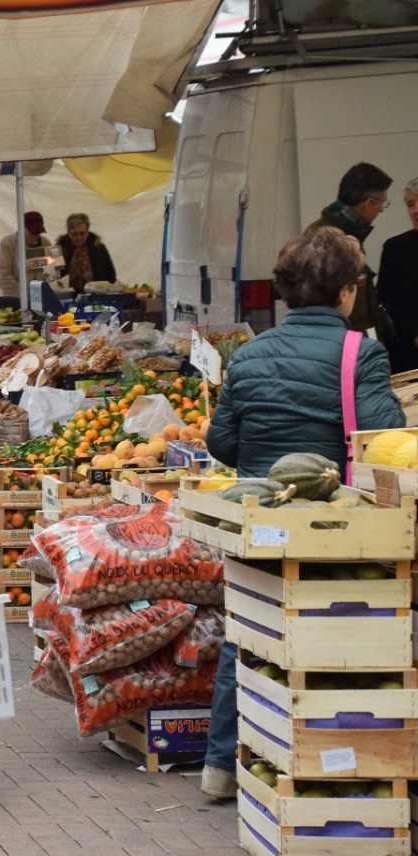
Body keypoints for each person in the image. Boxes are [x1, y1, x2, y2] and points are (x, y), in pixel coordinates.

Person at [200, 227, 405, 800]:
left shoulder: (248, 354)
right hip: (334, 529)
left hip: (259, 521)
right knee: (332, 632)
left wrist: (265, 459)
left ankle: (220, 768)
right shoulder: (359, 352)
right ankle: (331, 765)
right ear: (346, 292)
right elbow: (381, 439)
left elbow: (221, 442)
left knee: (247, 633)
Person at [305, 162, 398, 351]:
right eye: (382, 203)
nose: (381, 209)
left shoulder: (349, 231)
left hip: (356, 343)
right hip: (345, 348)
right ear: (368, 203)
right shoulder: (329, 238)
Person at [378, 176, 418, 373]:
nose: (415, 210)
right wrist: (414, 333)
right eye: (411, 204)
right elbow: (385, 300)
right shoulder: (394, 249)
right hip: (408, 353)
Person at [57, 213, 117, 293]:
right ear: (68, 233)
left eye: (82, 233)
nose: (79, 237)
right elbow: (55, 279)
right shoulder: (60, 250)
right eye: (74, 234)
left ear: (88, 232)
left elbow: (111, 275)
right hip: (68, 296)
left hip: (98, 295)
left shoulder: (98, 248)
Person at [0, 211, 51, 297]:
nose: (36, 235)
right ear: (22, 228)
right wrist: (25, 295)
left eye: (39, 232)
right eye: (33, 232)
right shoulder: (7, 243)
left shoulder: (46, 243)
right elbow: (2, 277)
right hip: (14, 299)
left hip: (41, 299)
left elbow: (53, 273)